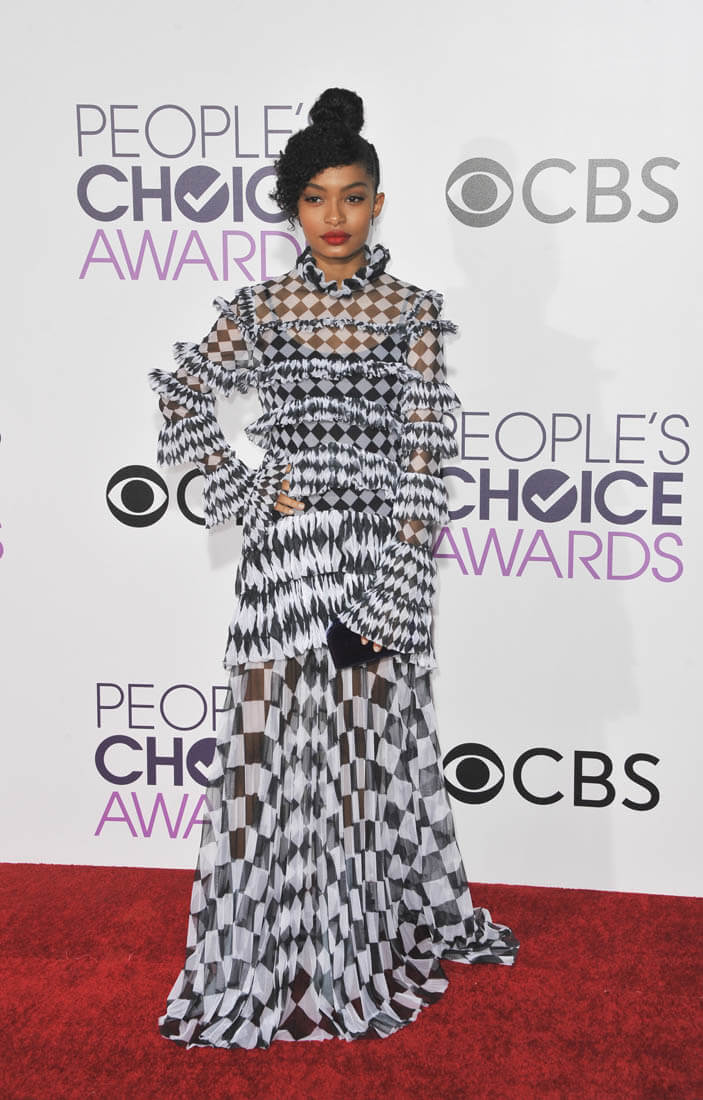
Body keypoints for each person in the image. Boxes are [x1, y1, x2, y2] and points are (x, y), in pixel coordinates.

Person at [148, 86, 519, 1050]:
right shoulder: (260, 308)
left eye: (352, 196)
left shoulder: (411, 312)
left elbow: (424, 458)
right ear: (291, 209)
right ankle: (258, 948)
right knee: (264, 760)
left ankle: (353, 945)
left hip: (369, 563)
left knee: (358, 761)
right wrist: (245, 489)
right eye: (315, 199)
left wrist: (394, 592)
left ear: (378, 202)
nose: (335, 216)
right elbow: (182, 395)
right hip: (282, 567)